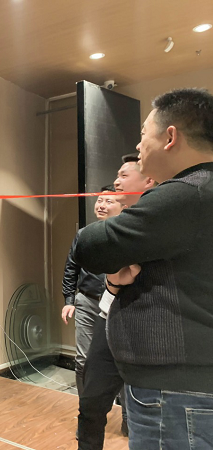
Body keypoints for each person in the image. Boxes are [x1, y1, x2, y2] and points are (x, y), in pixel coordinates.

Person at [75, 88, 213, 450]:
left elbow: (89, 246)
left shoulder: (187, 193)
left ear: (171, 137)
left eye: (142, 134)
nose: (138, 145)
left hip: (175, 392)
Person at [77, 155, 156, 449]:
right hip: (107, 318)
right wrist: (113, 283)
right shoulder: (114, 228)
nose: (116, 181)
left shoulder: (159, 223)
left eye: (124, 175)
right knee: (91, 401)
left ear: (148, 181)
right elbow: (108, 273)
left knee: (144, 408)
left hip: (147, 324)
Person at [61, 185, 124, 397]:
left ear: (123, 206)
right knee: (83, 359)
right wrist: (69, 300)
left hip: (119, 303)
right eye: (99, 200)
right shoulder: (84, 235)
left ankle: (126, 414)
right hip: (87, 301)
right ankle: (86, 410)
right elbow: (71, 267)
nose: (101, 205)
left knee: (121, 359)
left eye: (109, 201)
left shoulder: (128, 234)